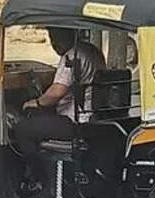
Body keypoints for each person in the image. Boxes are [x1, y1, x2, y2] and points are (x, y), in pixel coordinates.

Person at [13, 27, 106, 157]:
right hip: (94, 117)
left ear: (70, 34)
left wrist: (36, 103)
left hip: (75, 122)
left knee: (22, 128)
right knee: (38, 117)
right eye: (52, 39)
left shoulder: (72, 56)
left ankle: (36, 167)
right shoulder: (93, 51)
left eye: (58, 38)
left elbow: (57, 92)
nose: (54, 44)